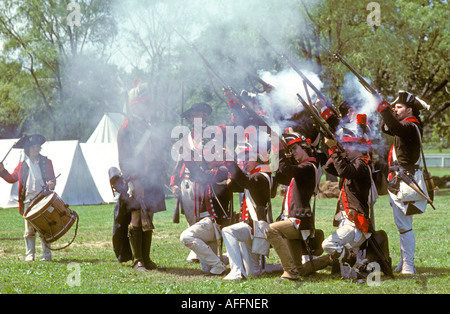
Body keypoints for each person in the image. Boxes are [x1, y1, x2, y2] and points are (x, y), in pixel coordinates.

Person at [376, 90, 431, 275]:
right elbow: (386, 127)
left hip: (405, 180)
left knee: (404, 225)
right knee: (403, 224)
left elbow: (393, 126)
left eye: (399, 107)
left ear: (410, 110)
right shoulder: (405, 125)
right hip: (400, 180)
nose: (396, 110)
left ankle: (409, 265)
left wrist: (383, 106)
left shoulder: (410, 126)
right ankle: (404, 261)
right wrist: (387, 110)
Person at [114, 79, 167, 272]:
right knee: (136, 216)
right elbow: (124, 158)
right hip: (135, 178)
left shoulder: (148, 126)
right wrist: (134, 180)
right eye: (146, 104)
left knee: (149, 215)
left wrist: (161, 171)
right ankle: (138, 261)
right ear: (137, 105)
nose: (149, 107)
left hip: (151, 177)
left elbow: (156, 152)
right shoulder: (127, 127)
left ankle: (146, 258)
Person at [264, 132, 323, 282]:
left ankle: (289, 272)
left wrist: (279, 146)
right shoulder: (301, 168)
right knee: (300, 269)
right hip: (294, 218)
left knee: (270, 229)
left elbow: (287, 170)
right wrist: (277, 151)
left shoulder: (309, 166)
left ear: (305, 148)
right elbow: (279, 173)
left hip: (299, 219)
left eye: (295, 148)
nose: (293, 152)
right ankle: (330, 259)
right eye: (291, 150)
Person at [321, 128, 374, 271]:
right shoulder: (352, 163)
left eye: (349, 145)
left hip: (355, 222)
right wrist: (337, 152)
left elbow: (344, 171)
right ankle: (359, 266)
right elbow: (329, 168)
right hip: (347, 220)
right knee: (348, 273)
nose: (346, 148)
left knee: (328, 244)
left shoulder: (362, 164)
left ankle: (356, 263)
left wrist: (334, 149)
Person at [0, 134, 56, 262]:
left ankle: (46, 254)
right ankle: (30, 254)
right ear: (28, 149)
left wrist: (51, 183)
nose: (36, 149)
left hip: (43, 198)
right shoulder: (22, 165)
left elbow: (52, 179)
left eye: (37, 146)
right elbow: (12, 178)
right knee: (29, 230)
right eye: (33, 147)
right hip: (28, 201)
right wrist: (2, 171)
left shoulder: (46, 162)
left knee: (44, 228)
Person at [170, 102, 212, 263]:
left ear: (205, 116)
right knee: (190, 217)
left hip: (205, 180)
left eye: (197, 114)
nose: (193, 117)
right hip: (187, 182)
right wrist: (174, 182)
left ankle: (204, 247)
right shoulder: (187, 137)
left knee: (204, 217)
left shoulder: (212, 134)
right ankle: (195, 249)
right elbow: (179, 162)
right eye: (192, 115)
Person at [221, 145, 272, 281]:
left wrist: (231, 162)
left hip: (254, 226)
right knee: (253, 273)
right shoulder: (253, 176)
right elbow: (232, 186)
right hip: (247, 226)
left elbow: (245, 182)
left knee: (228, 231)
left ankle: (236, 271)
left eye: (248, 158)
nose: (245, 162)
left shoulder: (261, 176)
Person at [179, 155, 235, 276]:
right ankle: (230, 258)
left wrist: (188, 160)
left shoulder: (222, 171)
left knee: (186, 237)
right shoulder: (212, 170)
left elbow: (202, 176)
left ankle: (219, 265)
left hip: (215, 222)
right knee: (206, 268)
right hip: (208, 222)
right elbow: (197, 176)